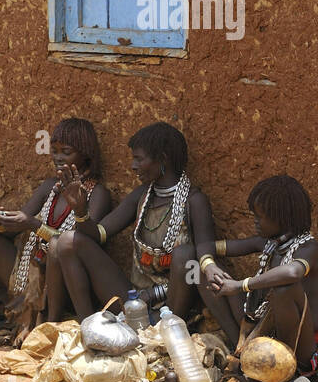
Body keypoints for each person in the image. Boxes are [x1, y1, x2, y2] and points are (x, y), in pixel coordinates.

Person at [0, 119, 112, 344]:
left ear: (86, 154)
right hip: (27, 273)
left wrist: (33, 225)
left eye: (66, 152)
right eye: (54, 151)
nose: (57, 157)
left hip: (64, 283)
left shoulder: (97, 194)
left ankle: (47, 323)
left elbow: (82, 243)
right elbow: (15, 227)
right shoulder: (50, 186)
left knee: (58, 248)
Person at [54, 122, 216, 322]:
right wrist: (80, 211)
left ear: (162, 158)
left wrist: (154, 295)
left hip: (172, 308)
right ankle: (88, 325)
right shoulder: (142, 195)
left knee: (188, 256)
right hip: (133, 301)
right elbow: (99, 234)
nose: (133, 166)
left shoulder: (194, 201)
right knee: (67, 241)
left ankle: (164, 329)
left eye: (138, 159)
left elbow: (200, 264)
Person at [203, 176, 318, 382]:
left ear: (282, 218)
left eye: (260, 217)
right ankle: (242, 352)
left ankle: (286, 374)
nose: (255, 222)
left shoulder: (308, 248)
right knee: (209, 275)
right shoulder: (268, 244)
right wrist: (209, 265)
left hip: (309, 348)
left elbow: (291, 273)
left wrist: (241, 285)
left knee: (284, 289)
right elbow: (207, 247)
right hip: (268, 334)